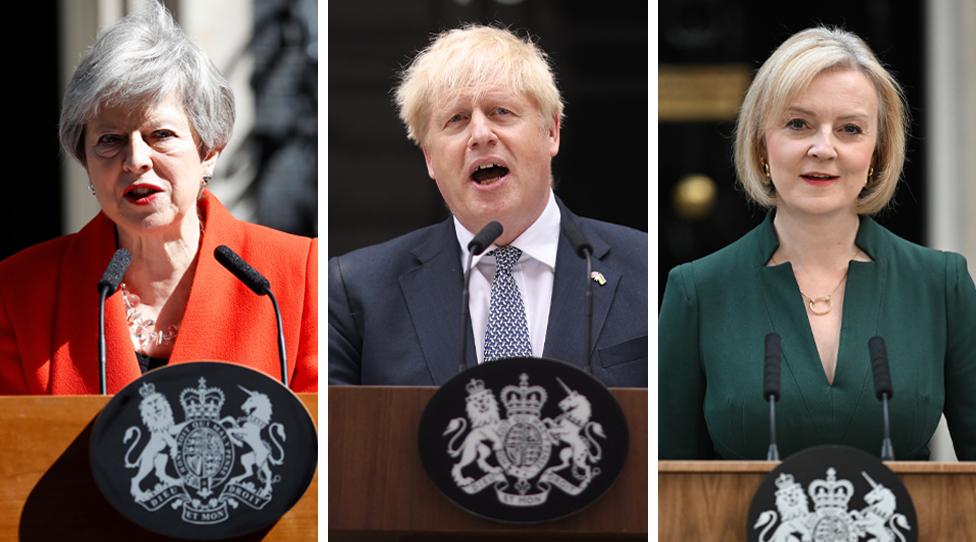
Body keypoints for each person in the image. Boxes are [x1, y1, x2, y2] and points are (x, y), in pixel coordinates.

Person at [659, 27, 976, 460]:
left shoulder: (941, 285)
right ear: (761, 145)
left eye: (849, 129)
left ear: (876, 154)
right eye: (798, 124)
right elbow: (670, 486)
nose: (823, 148)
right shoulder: (697, 291)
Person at [0, 2, 317, 394]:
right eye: (110, 141)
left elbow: (320, 443)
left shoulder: (296, 278)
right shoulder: (20, 290)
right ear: (85, 161)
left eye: (160, 135)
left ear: (210, 149)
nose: (135, 160)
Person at [329, 25, 647, 386]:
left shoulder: (644, 267)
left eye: (501, 112)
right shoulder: (355, 292)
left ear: (551, 132)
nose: (480, 135)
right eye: (456, 119)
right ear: (430, 157)